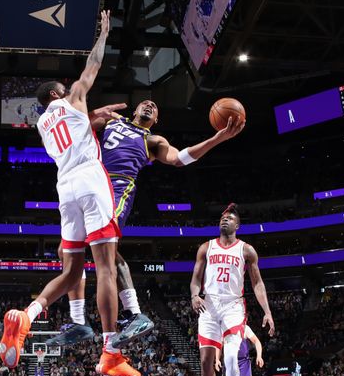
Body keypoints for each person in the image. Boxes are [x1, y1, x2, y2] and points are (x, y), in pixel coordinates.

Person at [0, 11, 139, 376]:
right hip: (92, 180)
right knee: (105, 267)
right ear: (59, 93)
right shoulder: (73, 96)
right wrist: (104, 34)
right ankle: (111, 350)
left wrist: (93, 116)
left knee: (72, 269)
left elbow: (80, 126)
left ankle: (26, 316)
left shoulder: (43, 125)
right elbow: (91, 68)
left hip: (65, 188)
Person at [48, 99, 244, 348]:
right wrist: (95, 112)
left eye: (155, 105)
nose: (150, 104)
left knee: (100, 252)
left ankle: (119, 316)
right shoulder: (112, 120)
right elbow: (74, 128)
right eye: (145, 102)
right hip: (89, 184)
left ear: (156, 119)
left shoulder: (154, 141)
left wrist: (218, 138)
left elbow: (180, 158)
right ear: (135, 110)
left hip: (116, 191)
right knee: (71, 252)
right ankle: (104, 317)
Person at [190, 204, 275, 376]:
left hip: (233, 306)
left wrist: (267, 311)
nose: (224, 220)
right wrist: (194, 295)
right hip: (209, 304)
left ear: (237, 225)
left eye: (229, 218)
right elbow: (195, 278)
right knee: (206, 360)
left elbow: (257, 283)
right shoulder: (205, 247)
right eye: (222, 218)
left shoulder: (246, 250)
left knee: (230, 357)